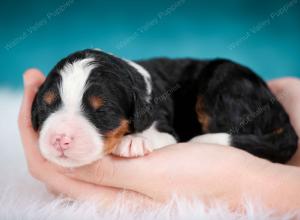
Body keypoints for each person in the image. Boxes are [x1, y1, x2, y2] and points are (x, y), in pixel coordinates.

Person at [18, 69, 300, 214]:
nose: (62, 136)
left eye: (100, 112)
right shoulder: (121, 90)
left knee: (224, 86)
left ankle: (251, 140)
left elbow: (161, 135)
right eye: (50, 107)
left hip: (224, 83)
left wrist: (256, 180)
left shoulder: (141, 100)